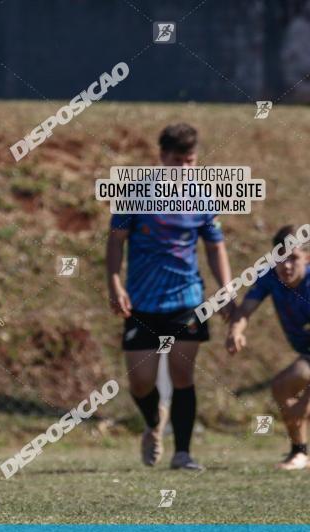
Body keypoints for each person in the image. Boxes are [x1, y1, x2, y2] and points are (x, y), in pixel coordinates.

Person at [106, 123, 233, 471]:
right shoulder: (135, 194)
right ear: (161, 157)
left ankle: (183, 454)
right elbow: (116, 241)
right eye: (177, 161)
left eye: (189, 162)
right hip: (143, 302)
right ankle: (152, 422)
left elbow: (214, 247)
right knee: (141, 382)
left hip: (187, 299)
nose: (183, 169)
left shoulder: (204, 197)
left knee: (182, 375)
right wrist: (114, 283)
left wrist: (226, 287)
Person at [227, 225, 310, 470]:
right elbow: (247, 307)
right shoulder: (270, 278)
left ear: (307, 257)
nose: (286, 266)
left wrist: (306, 401)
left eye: (293, 258)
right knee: (283, 387)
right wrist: (236, 331)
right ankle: (300, 452)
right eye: (280, 258)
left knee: (299, 396)